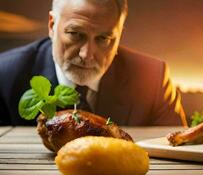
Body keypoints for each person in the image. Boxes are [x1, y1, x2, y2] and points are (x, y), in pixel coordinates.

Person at [0, 0, 187, 126]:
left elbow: (177, 156)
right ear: (52, 25)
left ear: (120, 35)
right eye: (75, 34)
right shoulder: (4, 75)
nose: (87, 54)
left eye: (103, 38)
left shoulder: (153, 78)